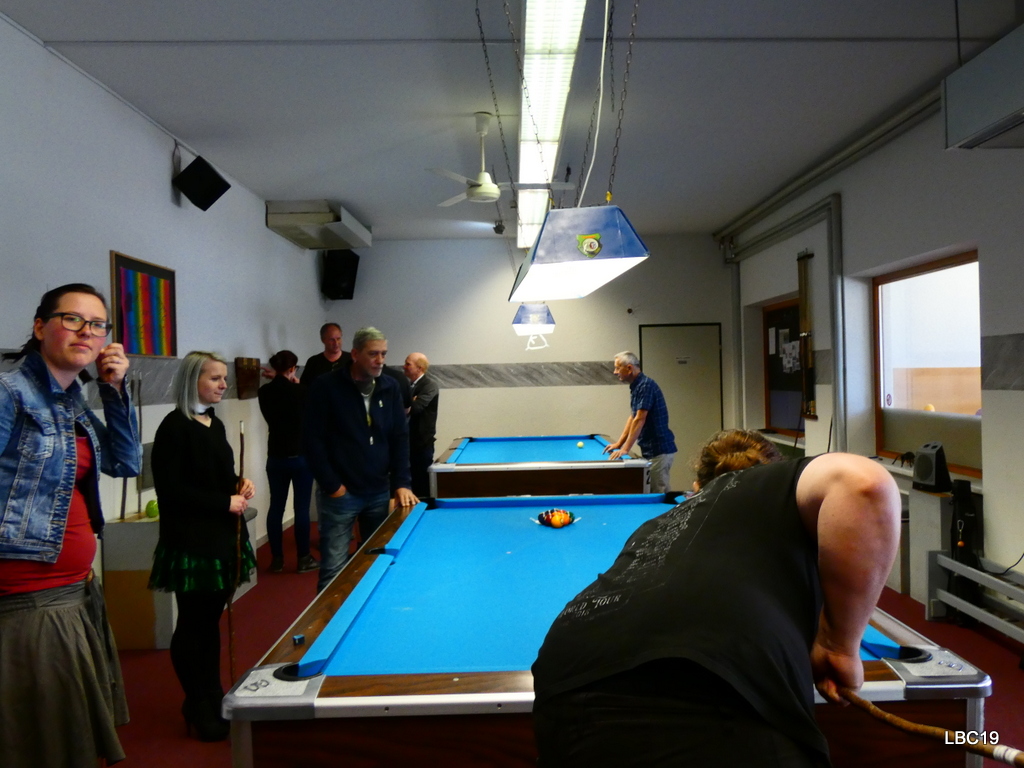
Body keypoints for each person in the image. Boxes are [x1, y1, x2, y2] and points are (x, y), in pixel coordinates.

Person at [533, 429, 901, 767]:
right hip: (708, 683)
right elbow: (864, 483)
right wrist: (838, 646)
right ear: (772, 469)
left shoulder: (659, 524)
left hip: (562, 677)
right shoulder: (775, 486)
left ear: (696, 488)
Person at [0, 283, 141, 768]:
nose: (86, 332)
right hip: (26, 599)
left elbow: (125, 463)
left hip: (73, 589)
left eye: (97, 325)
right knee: (40, 743)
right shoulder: (9, 393)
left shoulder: (72, 400)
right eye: (72, 319)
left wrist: (114, 390)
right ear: (40, 327)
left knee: (65, 736)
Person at [148, 351, 257, 742]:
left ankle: (212, 695)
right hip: (192, 542)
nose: (223, 385)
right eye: (215, 378)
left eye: (224, 378)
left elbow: (217, 475)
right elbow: (172, 492)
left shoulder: (214, 423)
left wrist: (238, 484)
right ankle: (196, 701)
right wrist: (223, 501)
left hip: (221, 536)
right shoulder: (173, 427)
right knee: (193, 625)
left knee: (209, 623)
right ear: (192, 380)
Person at [304, 327, 418, 592]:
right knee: (333, 569)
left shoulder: (390, 387)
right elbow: (312, 441)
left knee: (375, 563)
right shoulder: (326, 387)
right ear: (355, 354)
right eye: (373, 354)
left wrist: (402, 483)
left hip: (378, 491)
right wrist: (332, 486)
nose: (380, 360)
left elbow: (400, 438)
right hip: (340, 495)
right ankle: (331, 619)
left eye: (384, 354)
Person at [257, 350, 317, 574]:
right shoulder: (302, 391)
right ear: (293, 369)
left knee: (276, 508)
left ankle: (277, 559)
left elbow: (279, 393)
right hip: (300, 457)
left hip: (275, 456)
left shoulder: (264, 392)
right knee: (301, 509)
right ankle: (303, 559)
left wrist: (280, 379)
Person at [603, 351, 677, 492]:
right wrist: (619, 444)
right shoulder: (637, 386)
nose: (615, 372)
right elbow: (633, 417)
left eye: (618, 368)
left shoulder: (645, 386)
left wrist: (625, 449)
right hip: (651, 450)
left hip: (659, 451)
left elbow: (639, 419)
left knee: (658, 494)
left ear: (629, 368)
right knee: (653, 492)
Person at [403, 352, 439, 497]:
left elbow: (416, 408)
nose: (404, 367)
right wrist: (411, 401)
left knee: (421, 484)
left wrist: (409, 403)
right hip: (407, 443)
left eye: (408, 364)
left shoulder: (430, 386)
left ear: (419, 368)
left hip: (422, 444)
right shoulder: (407, 385)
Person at [299, 322, 351, 387]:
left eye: (338, 338)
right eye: (332, 340)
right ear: (323, 340)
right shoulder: (313, 362)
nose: (336, 343)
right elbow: (304, 387)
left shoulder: (352, 360)